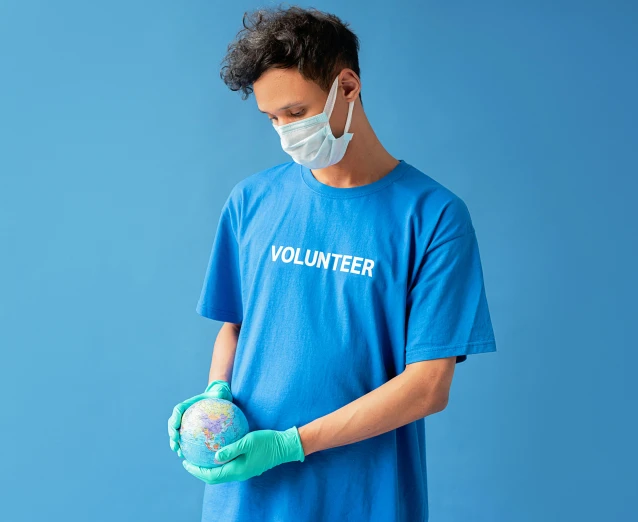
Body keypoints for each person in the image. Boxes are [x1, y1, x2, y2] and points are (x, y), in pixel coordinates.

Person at [167, 6, 497, 521]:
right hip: (246, 498)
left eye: (296, 113)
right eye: (271, 117)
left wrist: (290, 444)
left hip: (365, 498)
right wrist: (215, 396)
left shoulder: (433, 217)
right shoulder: (251, 201)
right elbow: (234, 327)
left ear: (347, 87)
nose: (283, 131)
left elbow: (428, 385)